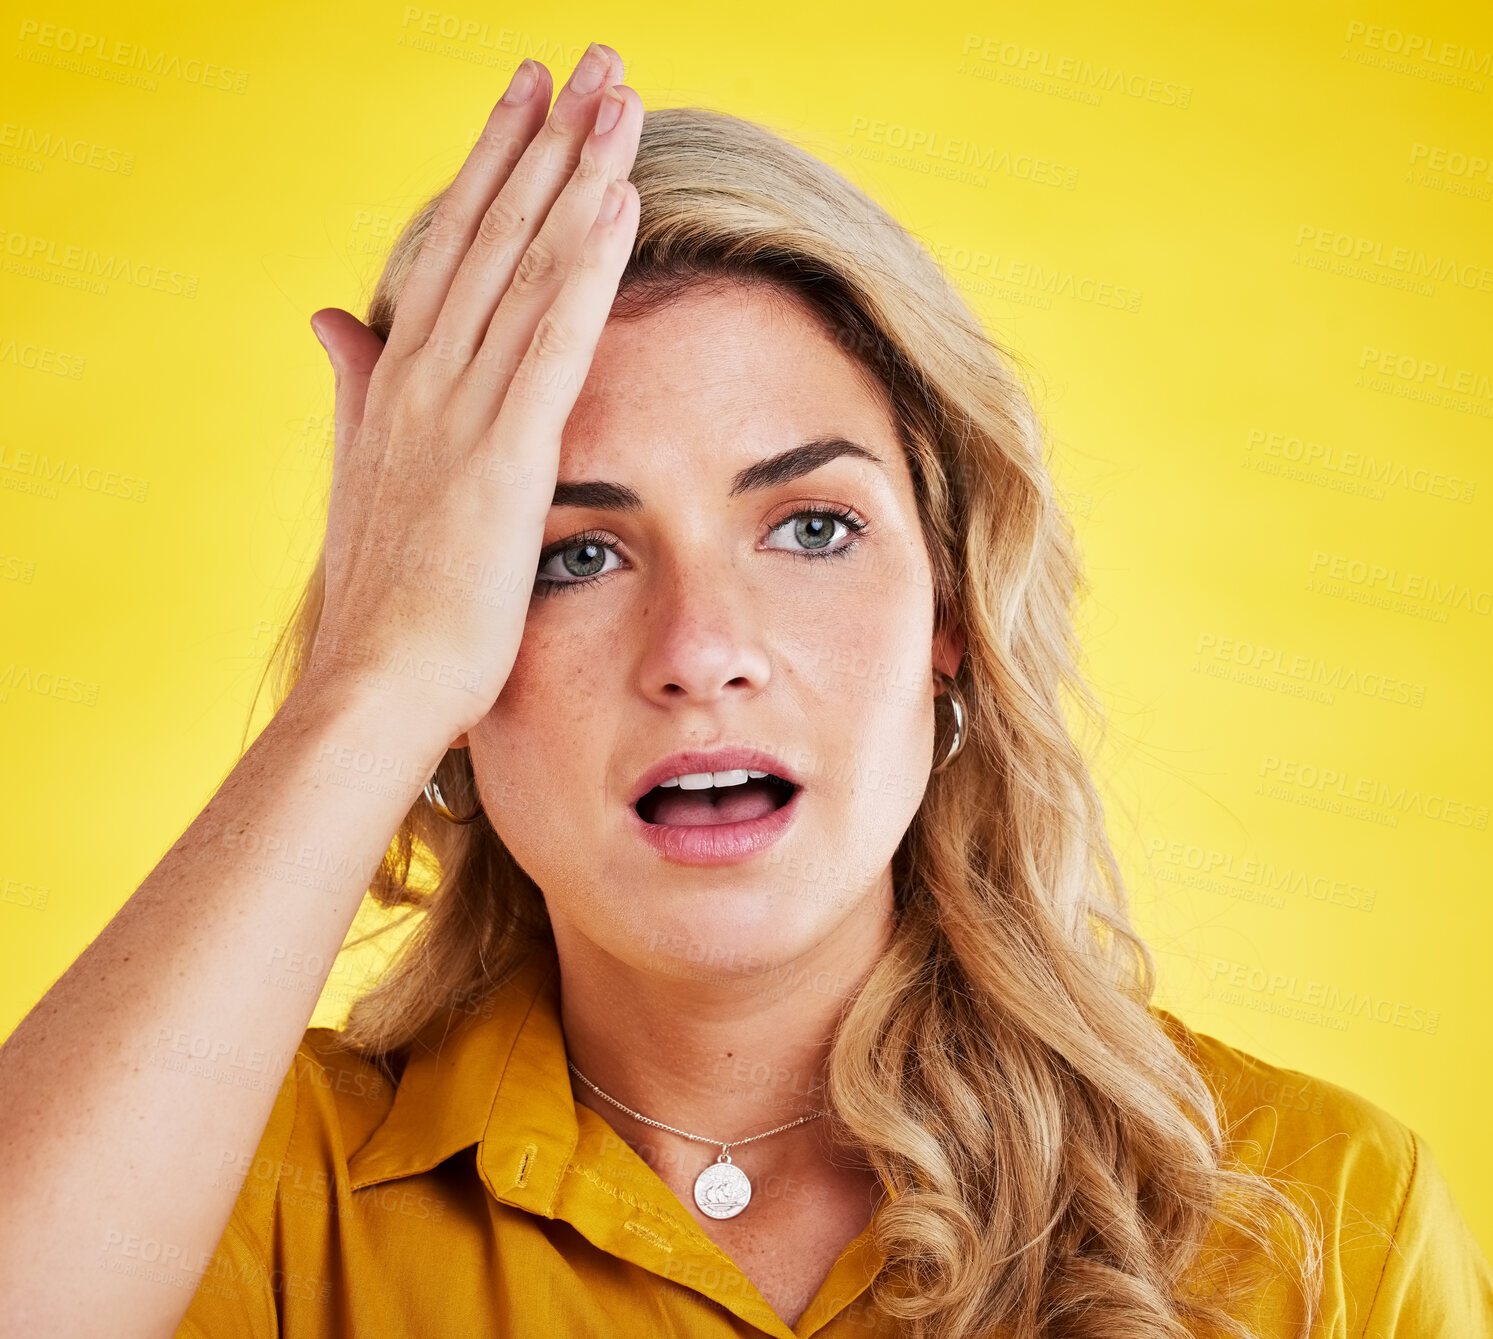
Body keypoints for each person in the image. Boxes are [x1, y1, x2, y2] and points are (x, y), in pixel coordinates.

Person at [0, 39, 1489, 1339]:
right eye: (567, 554)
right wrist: (370, 681)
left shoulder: (1318, 1218)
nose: (701, 647)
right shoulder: (242, 1194)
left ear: (950, 612)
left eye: (812, 528)